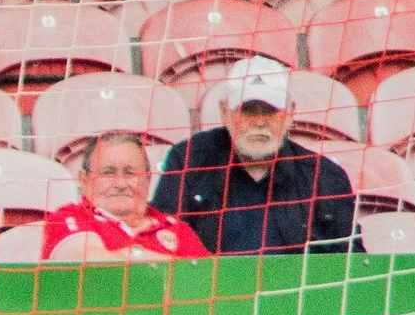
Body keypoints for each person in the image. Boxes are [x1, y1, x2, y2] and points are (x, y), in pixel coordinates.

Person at [152, 57, 359, 253]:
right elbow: (160, 246)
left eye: (269, 110)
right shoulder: (190, 162)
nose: (259, 121)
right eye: (248, 110)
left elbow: (354, 265)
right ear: (225, 113)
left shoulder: (325, 178)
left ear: (290, 114)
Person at [44, 132, 209, 262]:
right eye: (108, 173)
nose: (120, 183)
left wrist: (127, 255)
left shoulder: (177, 229)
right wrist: (141, 254)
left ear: (147, 179)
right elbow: (89, 264)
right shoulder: (68, 217)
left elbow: (207, 279)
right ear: (83, 178)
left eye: (130, 173)